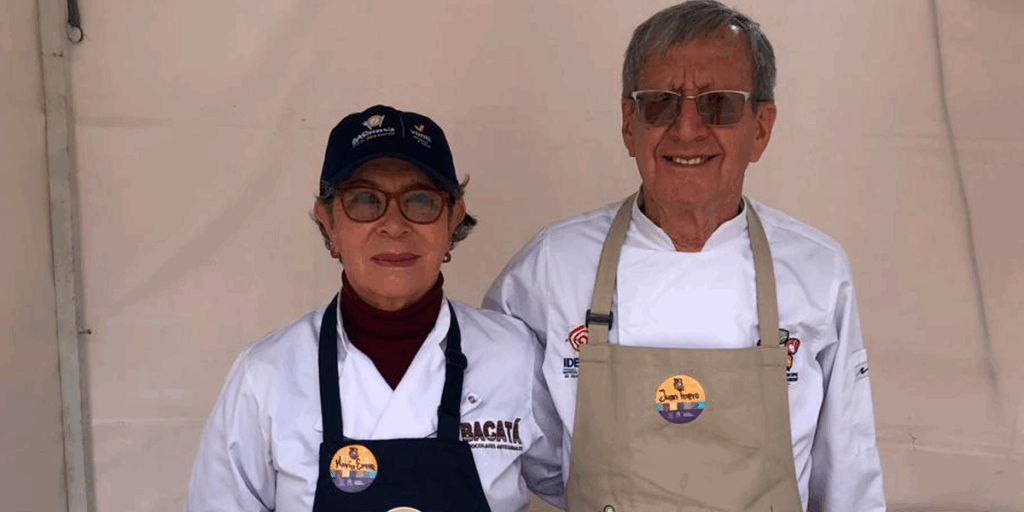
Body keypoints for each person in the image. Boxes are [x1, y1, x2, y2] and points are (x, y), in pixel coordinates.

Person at [484, 1, 885, 511]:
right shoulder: (552, 266)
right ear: (630, 124)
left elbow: (848, 474)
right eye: (660, 103)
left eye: (718, 103)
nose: (688, 128)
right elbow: (507, 436)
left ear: (760, 127)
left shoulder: (817, 270)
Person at [187, 105, 564, 512]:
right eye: (365, 200)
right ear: (328, 223)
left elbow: (588, 484)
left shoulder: (514, 358)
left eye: (420, 200)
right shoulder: (267, 375)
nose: (394, 224)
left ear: (453, 220)